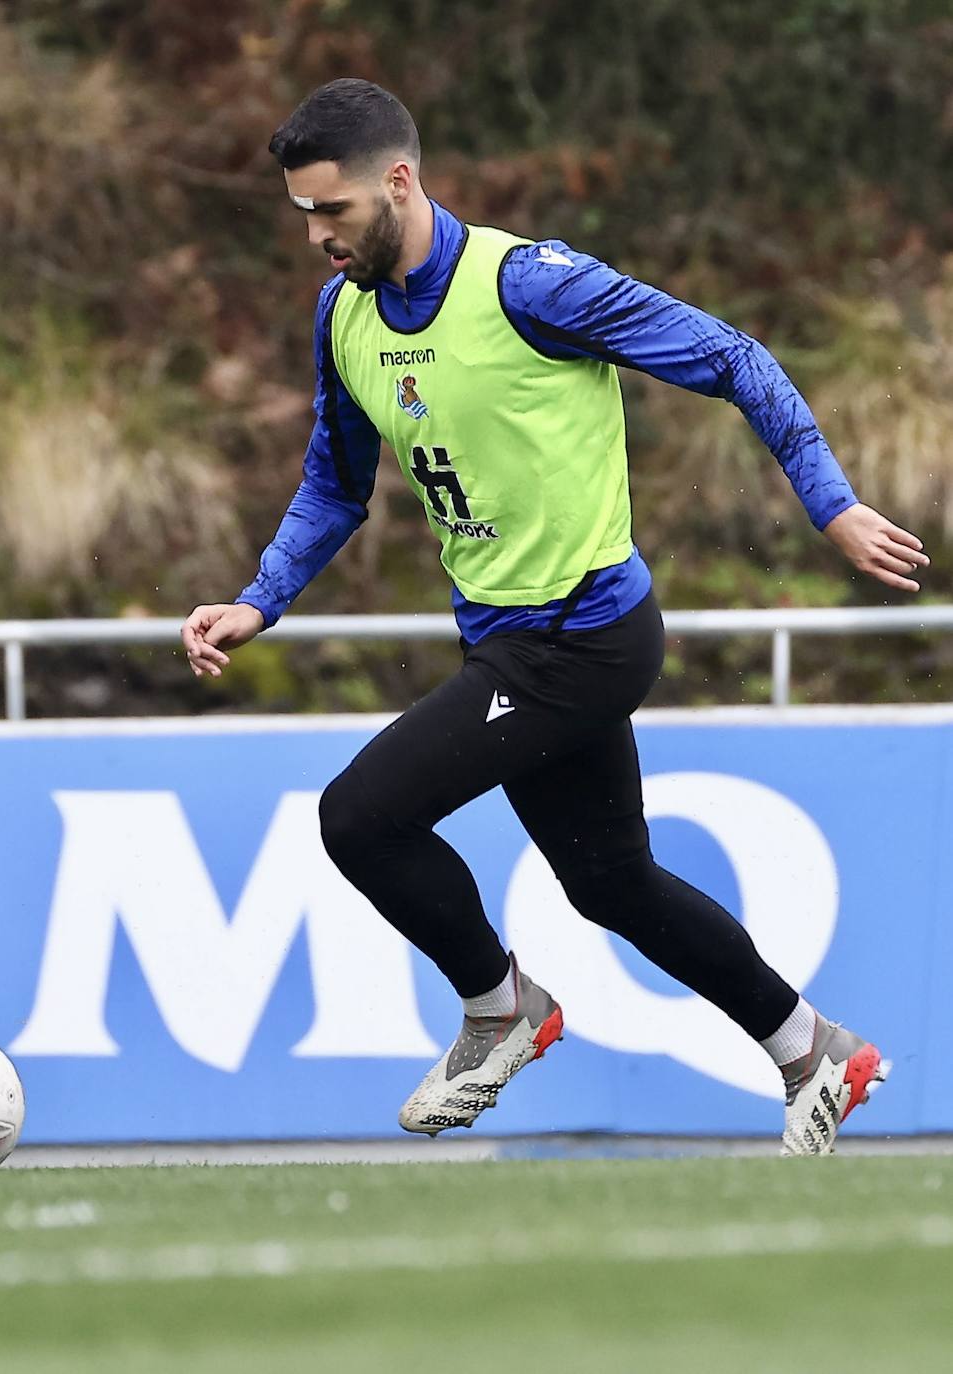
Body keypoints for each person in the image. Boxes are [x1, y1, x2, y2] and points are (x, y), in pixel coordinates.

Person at [181, 79, 928, 1155]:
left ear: (399, 182)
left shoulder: (531, 286)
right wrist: (259, 600)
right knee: (611, 882)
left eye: (331, 209)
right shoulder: (343, 315)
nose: (315, 236)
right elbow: (336, 486)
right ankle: (813, 1051)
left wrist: (833, 502)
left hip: (580, 642)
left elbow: (732, 358)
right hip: (506, 642)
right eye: (303, 213)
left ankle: (501, 1014)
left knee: (360, 818)